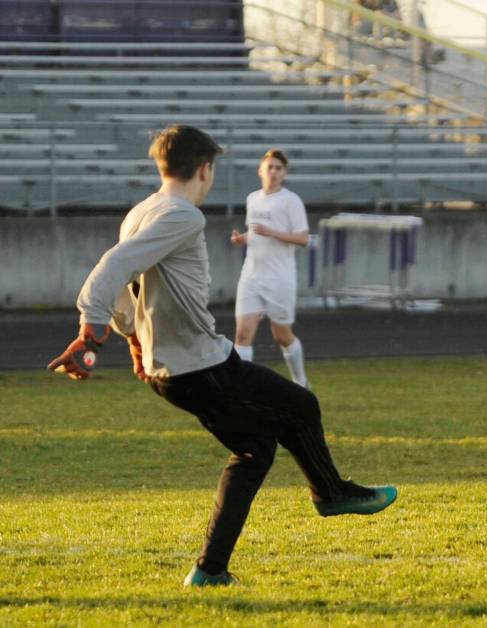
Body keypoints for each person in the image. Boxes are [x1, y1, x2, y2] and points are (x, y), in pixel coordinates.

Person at [47, 125, 397, 586]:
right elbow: (112, 269)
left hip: (177, 369)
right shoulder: (183, 215)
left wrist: (132, 339)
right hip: (200, 365)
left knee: (255, 449)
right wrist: (91, 333)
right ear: (205, 168)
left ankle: (211, 569)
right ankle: (330, 494)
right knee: (301, 406)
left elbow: (128, 285)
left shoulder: (140, 212)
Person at [231, 149, 310, 389]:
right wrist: (242, 239)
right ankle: (241, 390)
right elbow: (255, 233)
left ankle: (301, 382)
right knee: (243, 335)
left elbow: (303, 239)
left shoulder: (290, 200)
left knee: (281, 336)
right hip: (252, 275)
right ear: (260, 171)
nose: (273, 172)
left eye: (278, 168)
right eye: (270, 167)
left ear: (284, 173)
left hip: (279, 278)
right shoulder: (253, 198)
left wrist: (272, 232)